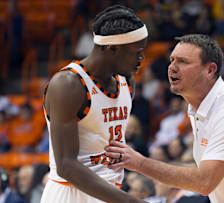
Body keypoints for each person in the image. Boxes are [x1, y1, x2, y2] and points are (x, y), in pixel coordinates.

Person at [105, 34, 224, 202]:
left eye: (183, 61)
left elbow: (204, 182)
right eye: (172, 60)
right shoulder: (198, 107)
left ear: (210, 70)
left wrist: (140, 163)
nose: (172, 67)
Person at [41, 5, 148, 203]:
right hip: (71, 193)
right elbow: (66, 166)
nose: (142, 58)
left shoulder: (127, 82)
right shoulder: (68, 84)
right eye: (137, 51)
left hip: (109, 192)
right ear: (112, 48)